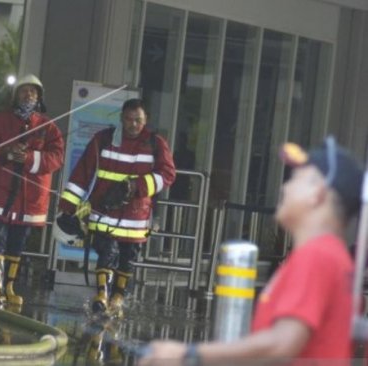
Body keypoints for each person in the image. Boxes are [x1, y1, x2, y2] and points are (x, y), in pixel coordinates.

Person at [138, 136, 363, 365]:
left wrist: (188, 355)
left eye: (297, 179)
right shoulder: (329, 255)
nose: (285, 186)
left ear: (318, 194)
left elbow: (282, 345)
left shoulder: (317, 256)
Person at [56, 98, 176, 316]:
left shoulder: (156, 143)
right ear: (121, 118)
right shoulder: (103, 139)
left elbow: (168, 174)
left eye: (138, 120)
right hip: (104, 213)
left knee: (127, 261)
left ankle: (117, 299)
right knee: (106, 254)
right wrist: (68, 205)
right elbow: (83, 172)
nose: (133, 125)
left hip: (136, 217)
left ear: (145, 119)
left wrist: (136, 186)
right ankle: (101, 296)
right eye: (129, 119)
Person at [0, 74, 64, 307]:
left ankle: (9, 287)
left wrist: (28, 158)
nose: (29, 95)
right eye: (24, 91)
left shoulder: (48, 127)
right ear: (15, 95)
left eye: (33, 92)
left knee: (17, 243)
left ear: (39, 97)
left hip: (30, 199)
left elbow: (56, 158)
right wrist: (6, 152)